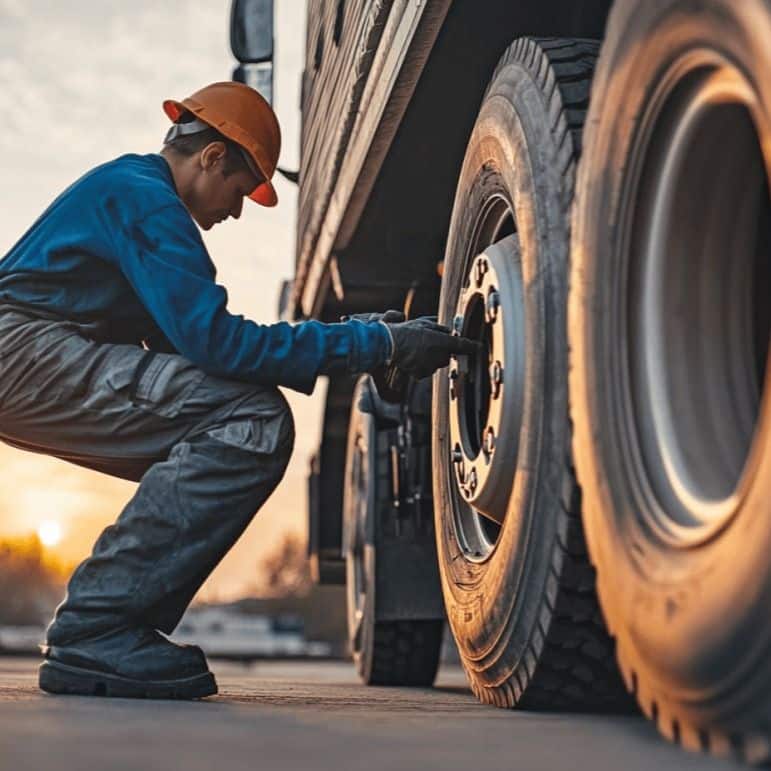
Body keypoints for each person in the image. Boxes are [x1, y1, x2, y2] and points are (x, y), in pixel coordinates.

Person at [0, 82, 476, 699]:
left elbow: (196, 362)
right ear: (212, 156)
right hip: (22, 350)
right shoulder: (147, 203)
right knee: (251, 422)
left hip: (26, 355)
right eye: (242, 185)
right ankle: (100, 626)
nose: (240, 208)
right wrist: (372, 346)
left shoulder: (134, 197)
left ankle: (105, 626)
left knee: (232, 413)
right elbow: (220, 347)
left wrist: (362, 336)